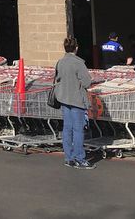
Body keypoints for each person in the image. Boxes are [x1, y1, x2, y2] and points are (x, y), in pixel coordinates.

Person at [55, 35, 94, 170]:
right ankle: (79, 158)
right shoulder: (78, 63)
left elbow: (58, 78)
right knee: (78, 130)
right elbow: (87, 82)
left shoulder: (60, 62)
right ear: (76, 48)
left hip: (64, 98)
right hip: (76, 100)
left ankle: (69, 157)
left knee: (67, 129)